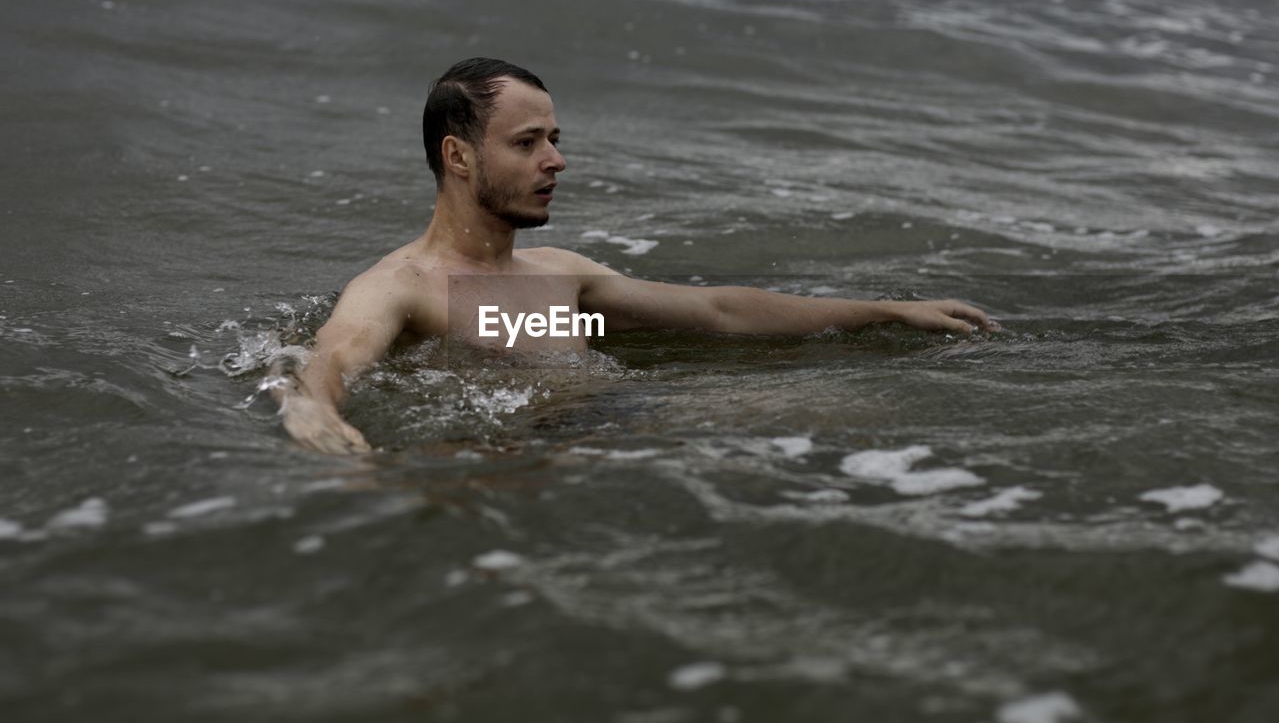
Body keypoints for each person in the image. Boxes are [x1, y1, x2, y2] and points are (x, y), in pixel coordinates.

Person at [275, 58, 998, 454]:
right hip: (494, 456)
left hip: (608, 430)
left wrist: (888, 309)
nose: (556, 159)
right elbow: (337, 354)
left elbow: (719, 310)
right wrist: (313, 410)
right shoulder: (403, 287)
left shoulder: (561, 275)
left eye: (554, 138)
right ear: (458, 156)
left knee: (853, 412)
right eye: (528, 143)